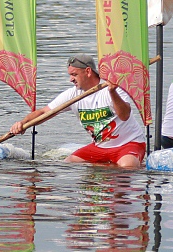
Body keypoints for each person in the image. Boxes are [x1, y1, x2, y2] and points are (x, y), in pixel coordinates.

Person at [11, 53, 147, 169]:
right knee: (68, 164)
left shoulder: (112, 87)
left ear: (88, 71)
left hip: (129, 143)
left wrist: (113, 92)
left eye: (74, 74)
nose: (71, 79)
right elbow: (43, 113)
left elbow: (124, 115)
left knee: (127, 168)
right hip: (100, 147)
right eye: (70, 75)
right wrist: (22, 123)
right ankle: (105, 166)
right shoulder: (72, 94)